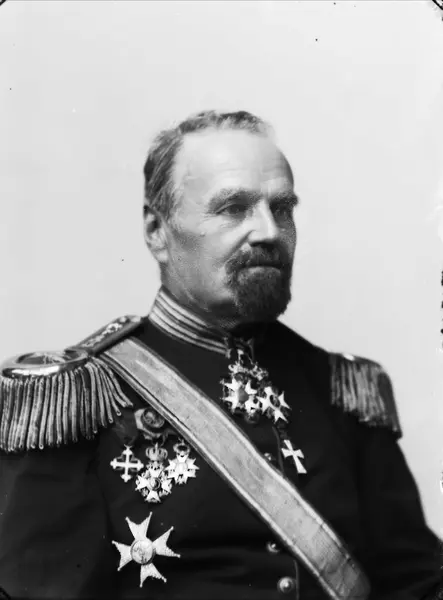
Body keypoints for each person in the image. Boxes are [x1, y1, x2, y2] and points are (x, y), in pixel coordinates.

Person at [0, 110, 441, 600]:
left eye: (282, 209)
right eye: (233, 208)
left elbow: (417, 584)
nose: (269, 232)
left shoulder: (342, 391)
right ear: (156, 230)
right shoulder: (76, 400)